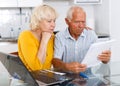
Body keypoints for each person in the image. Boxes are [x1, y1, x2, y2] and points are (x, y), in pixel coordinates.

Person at [52, 6, 111, 73]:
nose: (81, 26)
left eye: (83, 22)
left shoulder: (91, 34)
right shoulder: (60, 36)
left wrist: (105, 59)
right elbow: (55, 61)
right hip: (66, 77)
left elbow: (100, 57)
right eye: (77, 22)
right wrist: (66, 66)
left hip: (88, 76)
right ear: (67, 21)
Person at [18, 4, 58, 72]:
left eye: (54, 21)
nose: (53, 25)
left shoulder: (51, 37)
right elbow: (36, 68)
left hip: (45, 77)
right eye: (49, 21)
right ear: (38, 21)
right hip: (28, 79)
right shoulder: (26, 36)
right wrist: (44, 40)